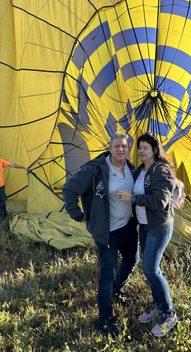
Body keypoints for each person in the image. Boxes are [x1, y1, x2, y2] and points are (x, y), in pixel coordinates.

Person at [62, 134, 138, 335]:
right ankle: (104, 320)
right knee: (107, 273)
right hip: (107, 232)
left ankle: (117, 288)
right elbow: (69, 189)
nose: (121, 149)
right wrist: (77, 214)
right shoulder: (95, 169)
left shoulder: (130, 168)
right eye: (116, 146)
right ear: (109, 148)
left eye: (124, 146)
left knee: (132, 260)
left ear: (128, 148)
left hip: (127, 227)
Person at [118, 133, 178, 337]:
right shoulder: (141, 170)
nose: (141, 151)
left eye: (145, 148)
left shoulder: (161, 170)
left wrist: (133, 198)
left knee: (152, 270)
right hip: (143, 226)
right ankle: (158, 306)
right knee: (149, 269)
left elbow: (160, 201)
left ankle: (169, 313)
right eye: (140, 148)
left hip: (158, 227)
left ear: (154, 149)